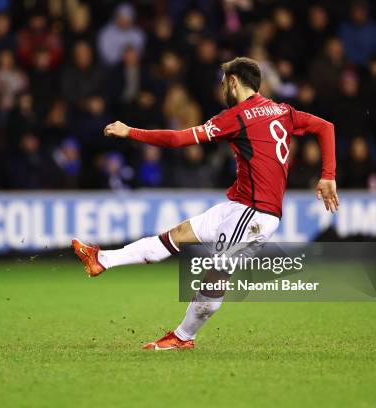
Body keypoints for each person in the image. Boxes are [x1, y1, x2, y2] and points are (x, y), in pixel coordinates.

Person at [72, 57, 338, 350]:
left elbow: (177, 140)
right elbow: (326, 127)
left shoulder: (237, 116)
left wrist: (131, 132)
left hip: (254, 213)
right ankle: (103, 260)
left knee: (216, 275)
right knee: (178, 235)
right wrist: (328, 176)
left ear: (234, 82)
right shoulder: (282, 111)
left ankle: (183, 337)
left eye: (223, 82)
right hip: (238, 206)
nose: (222, 87)